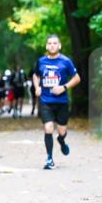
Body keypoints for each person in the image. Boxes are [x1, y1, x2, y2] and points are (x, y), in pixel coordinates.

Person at [32, 34, 80, 170]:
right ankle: (49, 159)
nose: (52, 45)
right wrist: (37, 87)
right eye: (49, 43)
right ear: (47, 46)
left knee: (62, 130)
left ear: (59, 46)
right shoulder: (41, 61)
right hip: (46, 101)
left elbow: (77, 78)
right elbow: (35, 75)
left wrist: (63, 87)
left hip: (62, 101)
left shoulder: (66, 61)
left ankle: (61, 140)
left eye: (55, 43)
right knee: (48, 128)